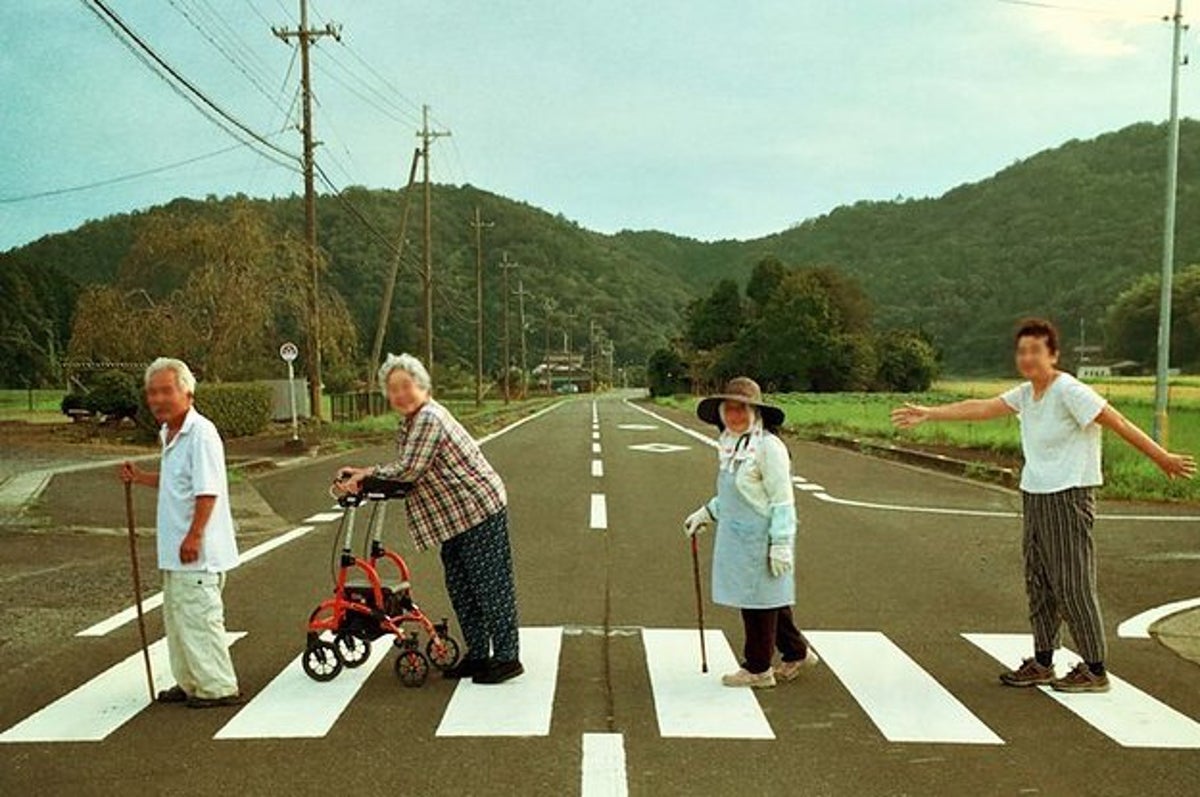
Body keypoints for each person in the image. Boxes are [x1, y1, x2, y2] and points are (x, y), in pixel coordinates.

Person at [891, 318, 1195, 693]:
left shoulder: (1069, 390)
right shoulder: (1026, 393)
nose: (1028, 358)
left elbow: (1116, 421)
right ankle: (1044, 659)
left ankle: (1095, 667)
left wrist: (1161, 457)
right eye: (1022, 351)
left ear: (1053, 355)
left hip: (1069, 494)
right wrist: (930, 412)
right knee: (1039, 580)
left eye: (1036, 350)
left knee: (1071, 581)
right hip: (1035, 494)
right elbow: (984, 406)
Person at [335, 353, 523, 685]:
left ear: (422, 386)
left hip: (477, 509)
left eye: (407, 386)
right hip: (455, 517)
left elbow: (409, 470)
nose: (401, 395)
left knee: (490, 586)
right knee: (462, 587)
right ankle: (479, 654)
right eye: (393, 390)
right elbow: (406, 468)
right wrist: (366, 475)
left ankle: (507, 657)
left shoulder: (429, 419)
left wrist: (365, 477)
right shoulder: (411, 422)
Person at [119, 357, 242, 708]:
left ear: (187, 391)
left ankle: (217, 687)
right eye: (152, 392)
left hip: (197, 551)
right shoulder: (169, 432)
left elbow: (207, 490)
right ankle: (190, 681)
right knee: (178, 618)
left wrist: (194, 536)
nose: (157, 399)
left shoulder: (200, 433)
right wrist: (141, 477)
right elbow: (177, 482)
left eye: (165, 391)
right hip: (176, 549)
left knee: (200, 617)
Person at [683, 376, 819, 688]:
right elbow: (737, 493)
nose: (735, 416)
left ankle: (758, 668)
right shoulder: (734, 444)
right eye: (729, 409)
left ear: (755, 412)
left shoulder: (768, 447)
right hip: (738, 538)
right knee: (770, 598)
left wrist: (781, 544)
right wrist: (707, 512)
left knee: (757, 603)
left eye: (742, 409)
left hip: (762, 537)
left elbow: (782, 501)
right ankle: (796, 651)